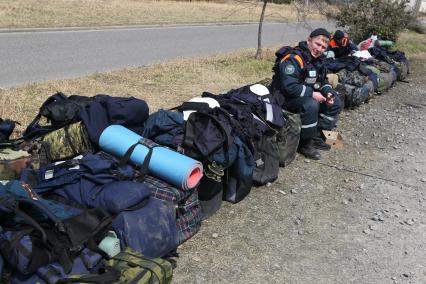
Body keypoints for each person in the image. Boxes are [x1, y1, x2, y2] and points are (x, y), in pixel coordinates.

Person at [271, 28, 342, 160]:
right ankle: (306, 144)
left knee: (336, 101)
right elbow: (288, 87)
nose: (319, 49)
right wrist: (312, 94)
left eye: (323, 47)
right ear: (309, 40)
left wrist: (328, 93)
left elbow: (322, 82)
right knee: (311, 104)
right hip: (283, 98)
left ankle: (319, 136)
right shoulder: (294, 58)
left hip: (303, 96)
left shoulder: (318, 60)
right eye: (317, 44)